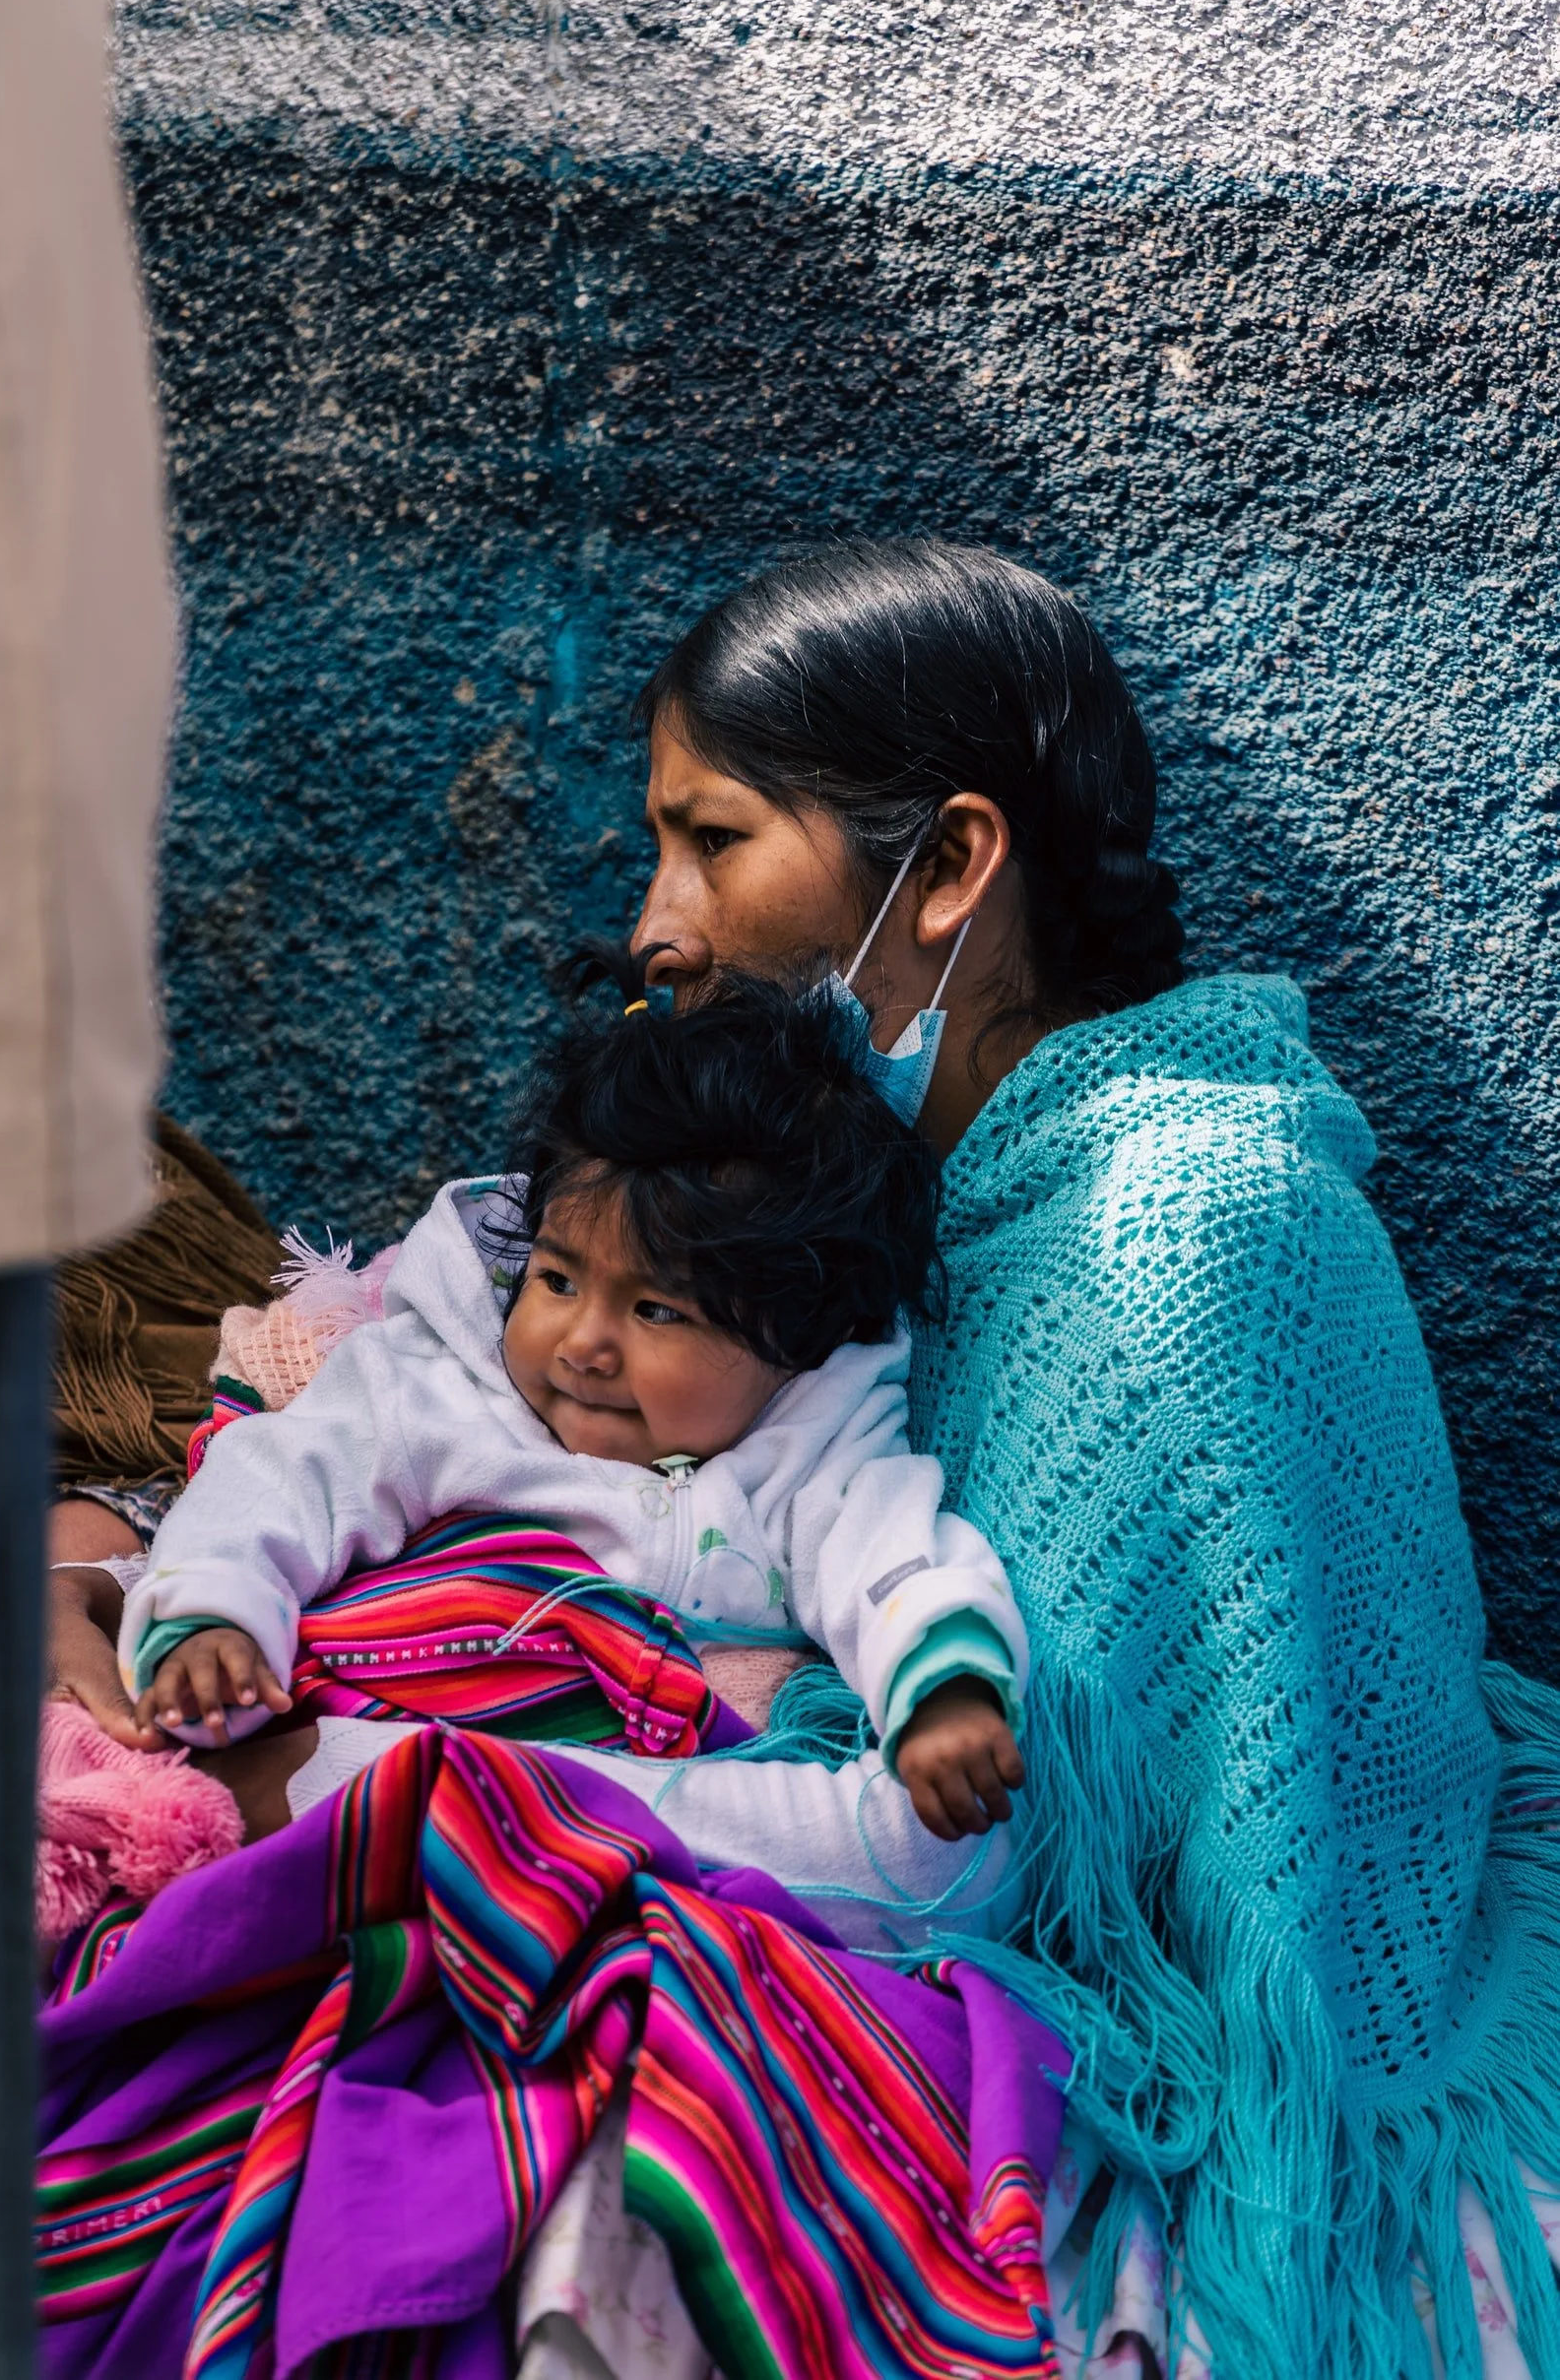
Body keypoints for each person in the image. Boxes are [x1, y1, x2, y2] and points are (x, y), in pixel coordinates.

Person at [619, 539, 1560, 2378]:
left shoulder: (1198, 1231)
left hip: (1220, 2038)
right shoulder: (919, 1216)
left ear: (952, 865)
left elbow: (1117, 1836)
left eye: (713, 841)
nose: (657, 925)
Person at [110, 970, 1030, 1869]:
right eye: (556, 1280)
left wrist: (942, 1691)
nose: (583, 1343)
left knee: (951, 1852)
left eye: (657, 1311)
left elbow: (900, 1561)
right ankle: (405, 1809)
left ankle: (437, 1816)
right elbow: (280, 1477)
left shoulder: (811, 1454)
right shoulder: (440, 1385)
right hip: (402, 1716)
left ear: (797, 1339)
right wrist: (211, 1620)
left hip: (609, 1792)